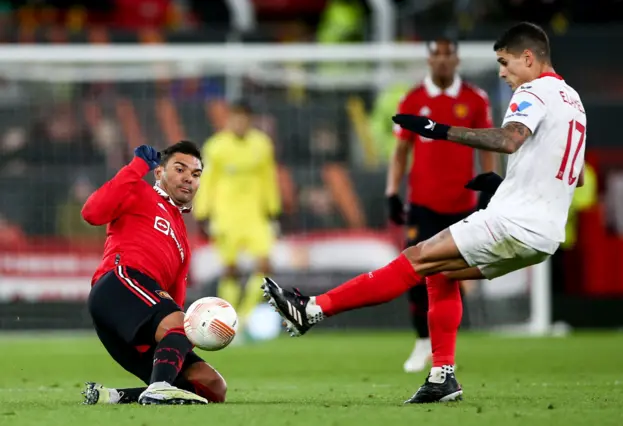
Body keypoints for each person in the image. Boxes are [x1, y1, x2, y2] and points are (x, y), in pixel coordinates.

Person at [262, 22, 587, 404]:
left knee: (413, 260)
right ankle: (442, 377)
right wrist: (506, 187)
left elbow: (508, 139)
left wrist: (439, 130)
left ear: (528, 58)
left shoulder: (533, 91)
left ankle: (311, 310)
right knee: (438, 273)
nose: (502, 72)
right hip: (544, 237)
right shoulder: (572, 99)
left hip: (511, 223)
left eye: (504, 62)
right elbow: (573, 176)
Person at [81, 141, 227, 405]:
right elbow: (91, 213)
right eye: (180, 169)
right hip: (119, 284)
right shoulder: (137, 190)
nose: (188, 179)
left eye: (195, 175)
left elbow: (175, 302)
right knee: (184, 324)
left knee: (211, 386)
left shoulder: (183, 239)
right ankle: (159, 387)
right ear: (159, 173)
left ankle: (112, 397)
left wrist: (181, 341)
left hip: (142, 311)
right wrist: (136, 167)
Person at [386, 38, 497, 373]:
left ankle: (444, 351)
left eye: (449, 56)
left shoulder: (475, 99)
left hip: (463, 204)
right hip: (423, 204)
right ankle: (422, 342)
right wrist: (392, 192)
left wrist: (490, 183)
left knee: (453, 275)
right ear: (429, 60)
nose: (444, 62)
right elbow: (401, 150)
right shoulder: (413, 98)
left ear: (457, 60)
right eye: (438, 56)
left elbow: (488, 143)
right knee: (416, 273)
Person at [193, 101, 281, 335]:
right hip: (226, 215)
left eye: (243, 118)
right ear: (229, 120)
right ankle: (228, 319)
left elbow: (268, 177)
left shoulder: (261, 144)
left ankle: (244, 317)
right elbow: (208, 180)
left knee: (265, 265)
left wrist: (274, 209)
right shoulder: (217, 147)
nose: (239, 123)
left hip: (255, 215)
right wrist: (203, 213)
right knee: (230, 270)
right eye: (235, 118)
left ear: (250, 120)